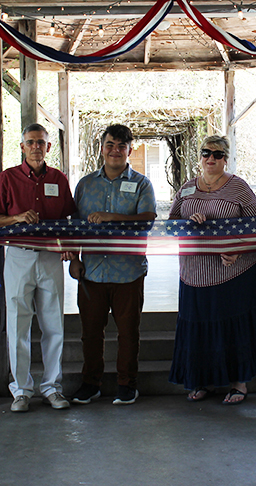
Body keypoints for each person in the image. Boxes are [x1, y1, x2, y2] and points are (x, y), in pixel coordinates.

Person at [168, 135, 256, 405]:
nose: (210, 159)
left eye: (217, 154)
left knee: (232, 328)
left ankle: (239, 384)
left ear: (226, 158)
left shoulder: (239, 188)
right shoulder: (188, 188)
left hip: (233, 273)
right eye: (206, 153)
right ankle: (202, 381)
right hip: (193, 273)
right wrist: (188, 221)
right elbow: (171, 224)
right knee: (199, 329)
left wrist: (238, 249)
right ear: (200, 157)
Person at [0, 123, 76, 412]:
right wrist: (16, 219)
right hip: (18, 256)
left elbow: (68, 219)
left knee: (54, 325)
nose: (36, 147)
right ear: (22, 147)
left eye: (41, 142)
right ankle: (21, 391)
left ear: (48, 147)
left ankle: (52, 387)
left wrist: (69, 247)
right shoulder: (8, 178)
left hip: (51, 257)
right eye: (31, 142)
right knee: (18, 325)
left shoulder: (59, 179)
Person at [68, 124, 157, 406]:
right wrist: (74, 259)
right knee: (90, 334)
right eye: (110, 145)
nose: (115, 151)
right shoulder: (85, 184)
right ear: (102, 148)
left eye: (121, 146)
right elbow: (73, 227)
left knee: (128, 333)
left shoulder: (142, 184)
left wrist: (111, 217)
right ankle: (90, 384)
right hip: (91, 271)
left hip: (128, 271)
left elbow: (148, 219)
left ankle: (126, 385)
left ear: (130, 150)